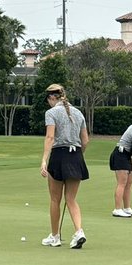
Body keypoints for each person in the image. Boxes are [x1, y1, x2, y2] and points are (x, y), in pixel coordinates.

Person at [39, 83, 89, 248]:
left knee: (55, 199)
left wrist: (44, 160)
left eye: (49, 99)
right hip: (76, 156)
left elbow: (50, 138)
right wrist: (77, 158)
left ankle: (55, 236)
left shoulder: (51, 112)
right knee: (71, 199)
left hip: (59, 155)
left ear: (52, 97)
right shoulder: (78, 112)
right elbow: (85, 141)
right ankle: (79, 231)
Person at [110, 118, 132, 218]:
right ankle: (117, 209)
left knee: (129, 183)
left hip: (127, 155)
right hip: (120, 154)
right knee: (122, 183)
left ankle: (127, 208)